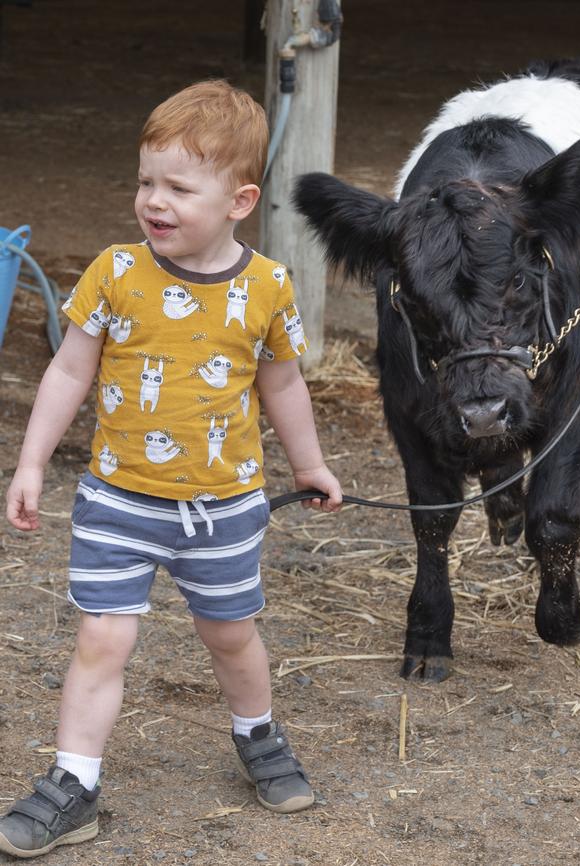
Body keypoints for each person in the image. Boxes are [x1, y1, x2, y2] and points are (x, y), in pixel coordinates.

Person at [0, 79, 342, 858]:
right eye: (146, 181)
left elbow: (283, 382)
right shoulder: (117, 272)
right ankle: (73, 782)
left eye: (178, 188)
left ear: (239, 200)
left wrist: (312, 465)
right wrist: (30, 462)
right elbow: (67, 372)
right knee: (101, 640)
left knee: (229, 634)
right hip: (118, 499)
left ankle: (256, 734)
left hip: (224, 508)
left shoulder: (268, 289)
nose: (153, 201)